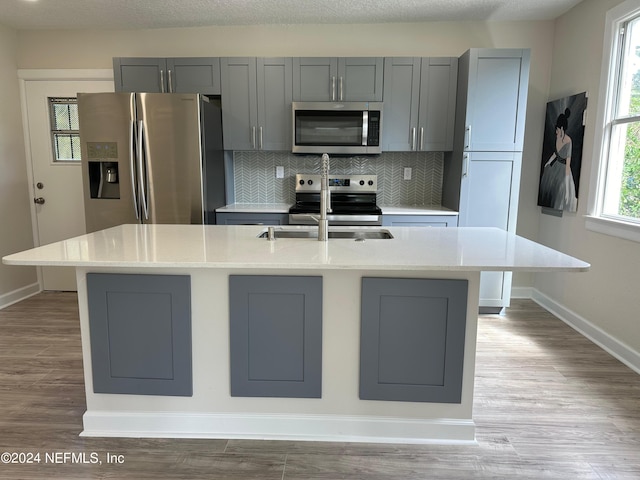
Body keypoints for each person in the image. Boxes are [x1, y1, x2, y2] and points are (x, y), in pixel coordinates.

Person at [539, 108, 578, 211]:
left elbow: (568, 162)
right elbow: (555, 154)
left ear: (561, 128)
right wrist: (548, 162)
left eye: (557, 129)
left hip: (564, 169)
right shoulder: (557, 138)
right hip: (556, 166)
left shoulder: (568, 141)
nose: (555, 132)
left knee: (562, 193)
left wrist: (566, 181)